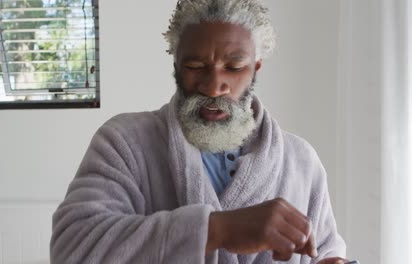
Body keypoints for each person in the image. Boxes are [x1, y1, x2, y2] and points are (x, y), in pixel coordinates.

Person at [50, 0, 349, 263]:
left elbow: (325, 250)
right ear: (176, 66)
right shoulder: (125, 143)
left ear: (256, 68)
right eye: (195, 65)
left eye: (233, 67)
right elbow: (73, 248)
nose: (213, 85)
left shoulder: (300, 161)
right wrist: (218, 230)